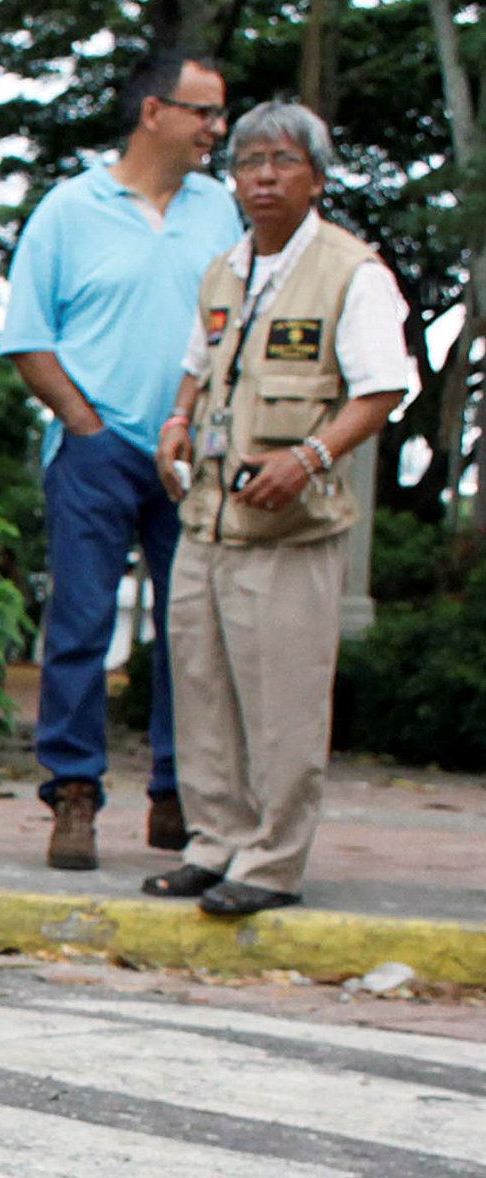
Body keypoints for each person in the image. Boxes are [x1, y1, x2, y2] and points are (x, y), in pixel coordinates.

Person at [143, 100, 413, 918]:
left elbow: (383, 389)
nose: (263, 176)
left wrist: (309, 458)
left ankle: (273, 859)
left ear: (317, 178)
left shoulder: (351, 272)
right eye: (250, 161)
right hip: (209, 518)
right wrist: (177, 423)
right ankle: (214, 841)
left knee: (283, 702)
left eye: (282, 162)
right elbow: (197, 365)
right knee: (202, 689)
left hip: (290, 529)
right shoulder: (227, 269)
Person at [0, 50, 245, 871]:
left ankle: (178, 796)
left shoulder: (221, 212)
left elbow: (233, 330)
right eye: (204, 112)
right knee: (81, 625)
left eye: (219, 115)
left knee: (191, 633)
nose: (217, 129)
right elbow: (26, 337)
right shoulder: (70, 210)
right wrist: (86, 424)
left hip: (190, 452)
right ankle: (73, 794)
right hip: (95, 451)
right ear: (154, 112)